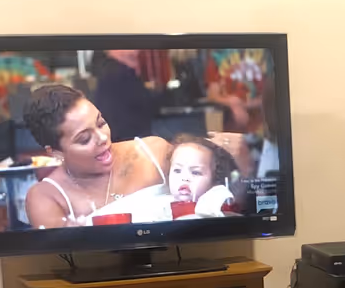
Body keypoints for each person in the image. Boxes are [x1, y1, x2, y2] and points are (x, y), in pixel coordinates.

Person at [21, 85, 172, 228]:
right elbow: (61, 254)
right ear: (56, 152)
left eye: (101, 123)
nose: (102, 138)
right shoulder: (47, 198)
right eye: (84, 139)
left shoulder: (153, 152)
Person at [88, 50, 158, 139]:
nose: (136, 52)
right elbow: (147, 104)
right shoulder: (119, 73)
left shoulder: (107, 70)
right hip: (130, 139)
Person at [167, 138, 240, 217]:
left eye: (196, 172)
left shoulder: (218, 211)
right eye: (177, 171)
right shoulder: (160, 207)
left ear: (215, 179)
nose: (184, 178)